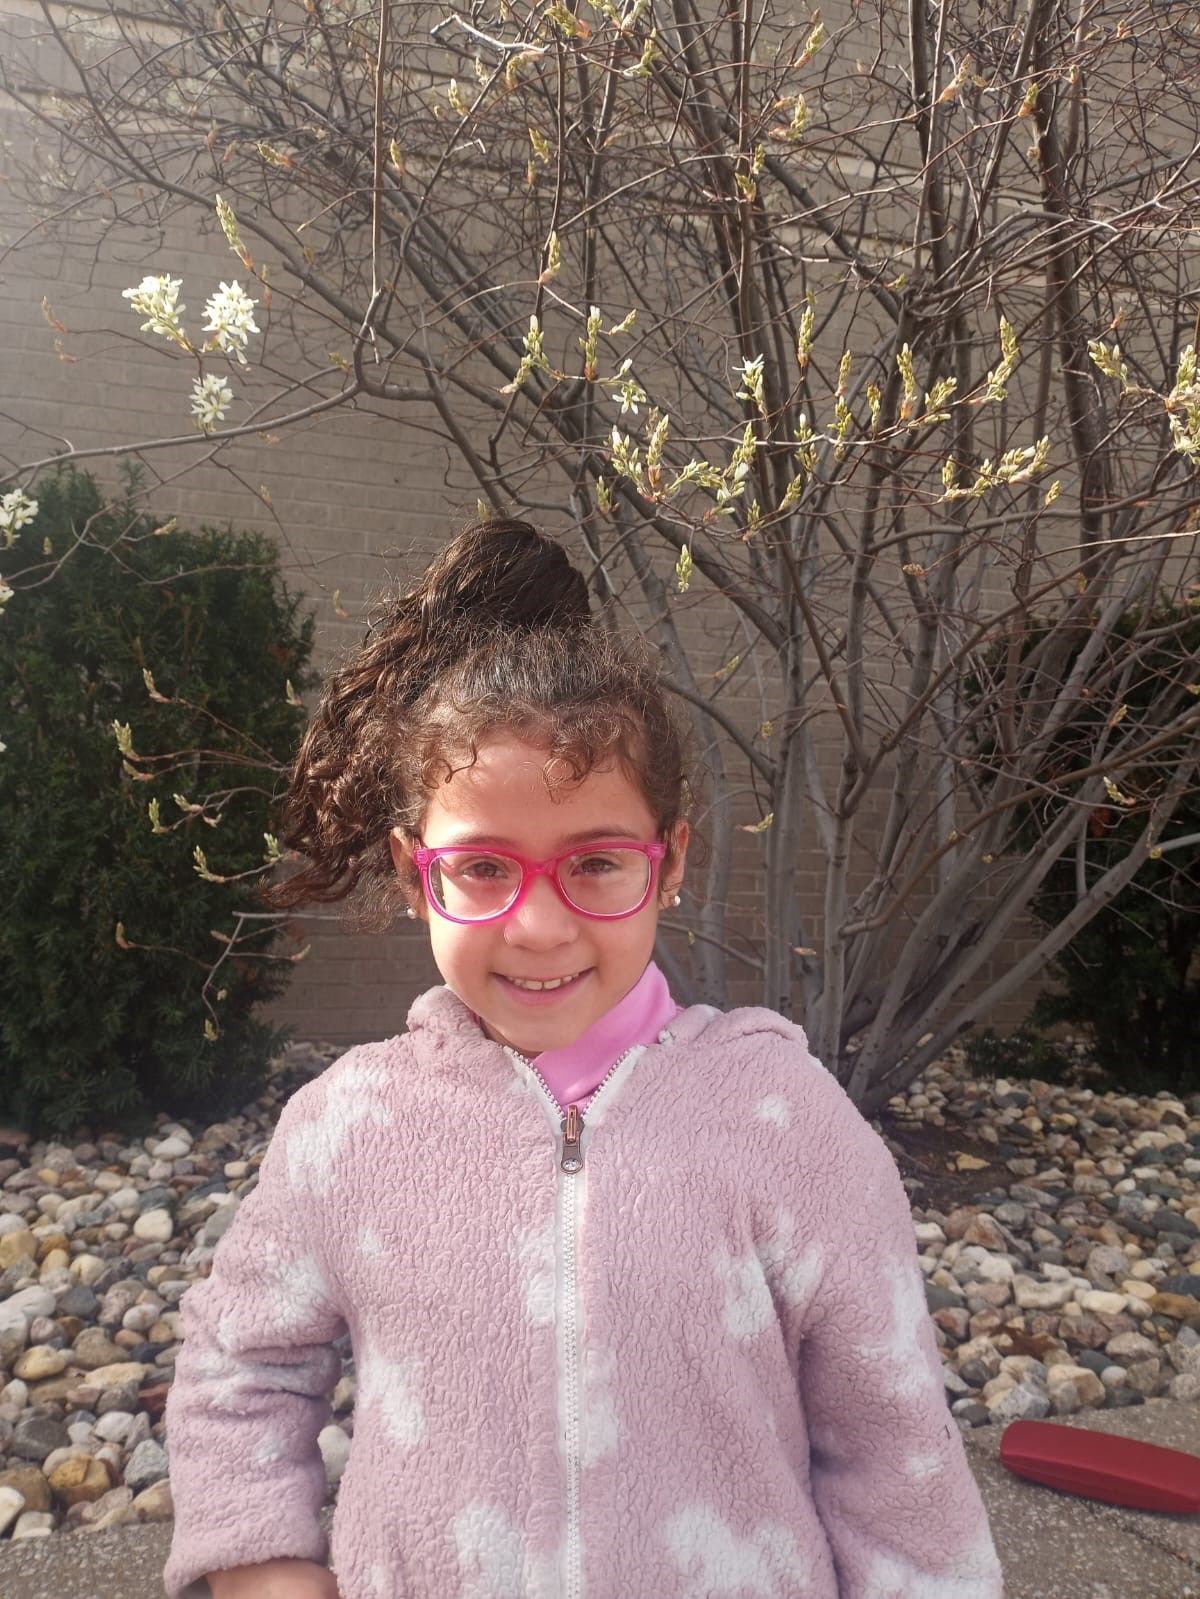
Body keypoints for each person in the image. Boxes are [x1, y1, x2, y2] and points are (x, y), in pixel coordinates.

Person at [163, 520, 1003, 1599]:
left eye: (597, 863)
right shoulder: (345, 1130)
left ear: (672, 861)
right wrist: (261, 1565)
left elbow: (896, 1446)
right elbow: (242, 1365)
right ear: (415, 874)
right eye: (482, 869)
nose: (540, 928)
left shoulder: (783, 1122)